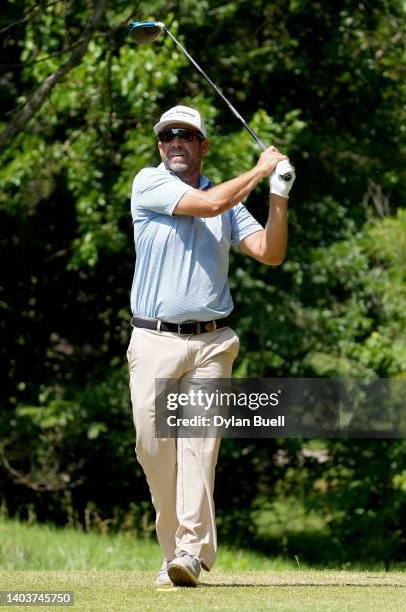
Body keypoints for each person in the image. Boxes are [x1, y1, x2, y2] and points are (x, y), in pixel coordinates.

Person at [127, 105, 296, 587]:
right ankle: (172, 550)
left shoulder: (229, 200)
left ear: (203, 145)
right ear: (160, 146)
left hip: (212, 343)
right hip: (154, 338)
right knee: (154, 449)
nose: (175, 142)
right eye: (167, 137)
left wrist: (277, 193)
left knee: (200, 449)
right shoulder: (150, 184)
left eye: (186, 136)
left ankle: (189, 553)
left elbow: (271, 252)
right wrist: (259, 167)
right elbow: (208, 206)